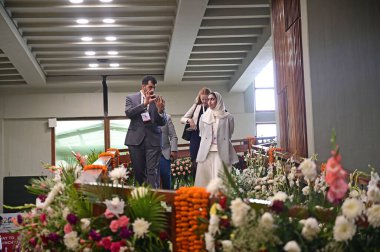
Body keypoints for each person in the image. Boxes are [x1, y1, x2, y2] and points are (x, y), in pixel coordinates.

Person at [124, 75, 166, 188]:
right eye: (150, 87)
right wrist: (144, 104)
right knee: (139, 173)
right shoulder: (131, 98)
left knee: (153, 173)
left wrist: (160, 110)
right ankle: (141, 202)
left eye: (154, 88)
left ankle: (155, 202)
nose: (152, 90)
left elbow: (162, 122)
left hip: (153, 141)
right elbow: (129, 113)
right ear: (143, 86)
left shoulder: (157, 100)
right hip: (135, 141)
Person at [195, 91, 239, 187]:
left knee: (221, 178)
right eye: (208, 99)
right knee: (204, 178)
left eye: (212, 99)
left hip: (221, 150)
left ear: (218, 100)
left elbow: (229, 134)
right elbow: (202, 134)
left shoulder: (229, 117)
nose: (209, 102)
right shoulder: (203, 117)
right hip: (206, 151)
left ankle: (221, 199)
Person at [180, 87, 211, 180]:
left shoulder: (213, 107)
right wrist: (189, 120)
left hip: (208, 137)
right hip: (196, 136)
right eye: (203, 99)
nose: (205, 101)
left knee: (207, 160)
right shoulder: (196, 106)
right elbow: (182, 119)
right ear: (200, 98)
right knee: (195, 160)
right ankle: (196, 182)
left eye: (206, 99)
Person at [159, 114, 178, 189]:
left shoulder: (167, 117)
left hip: (164, 153)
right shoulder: (147, 116)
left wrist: (173, 150)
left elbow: (173, 136)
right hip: (151, 153)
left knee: (166, 179)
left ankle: (168, 199)